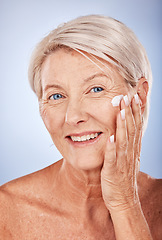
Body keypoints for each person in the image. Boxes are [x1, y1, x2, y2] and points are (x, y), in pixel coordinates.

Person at [0, 14, 161, 240]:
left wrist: (125, 204)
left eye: (96, 89)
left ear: (140, 96)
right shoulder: (6, 211)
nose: (73, 116)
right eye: (56, 95)